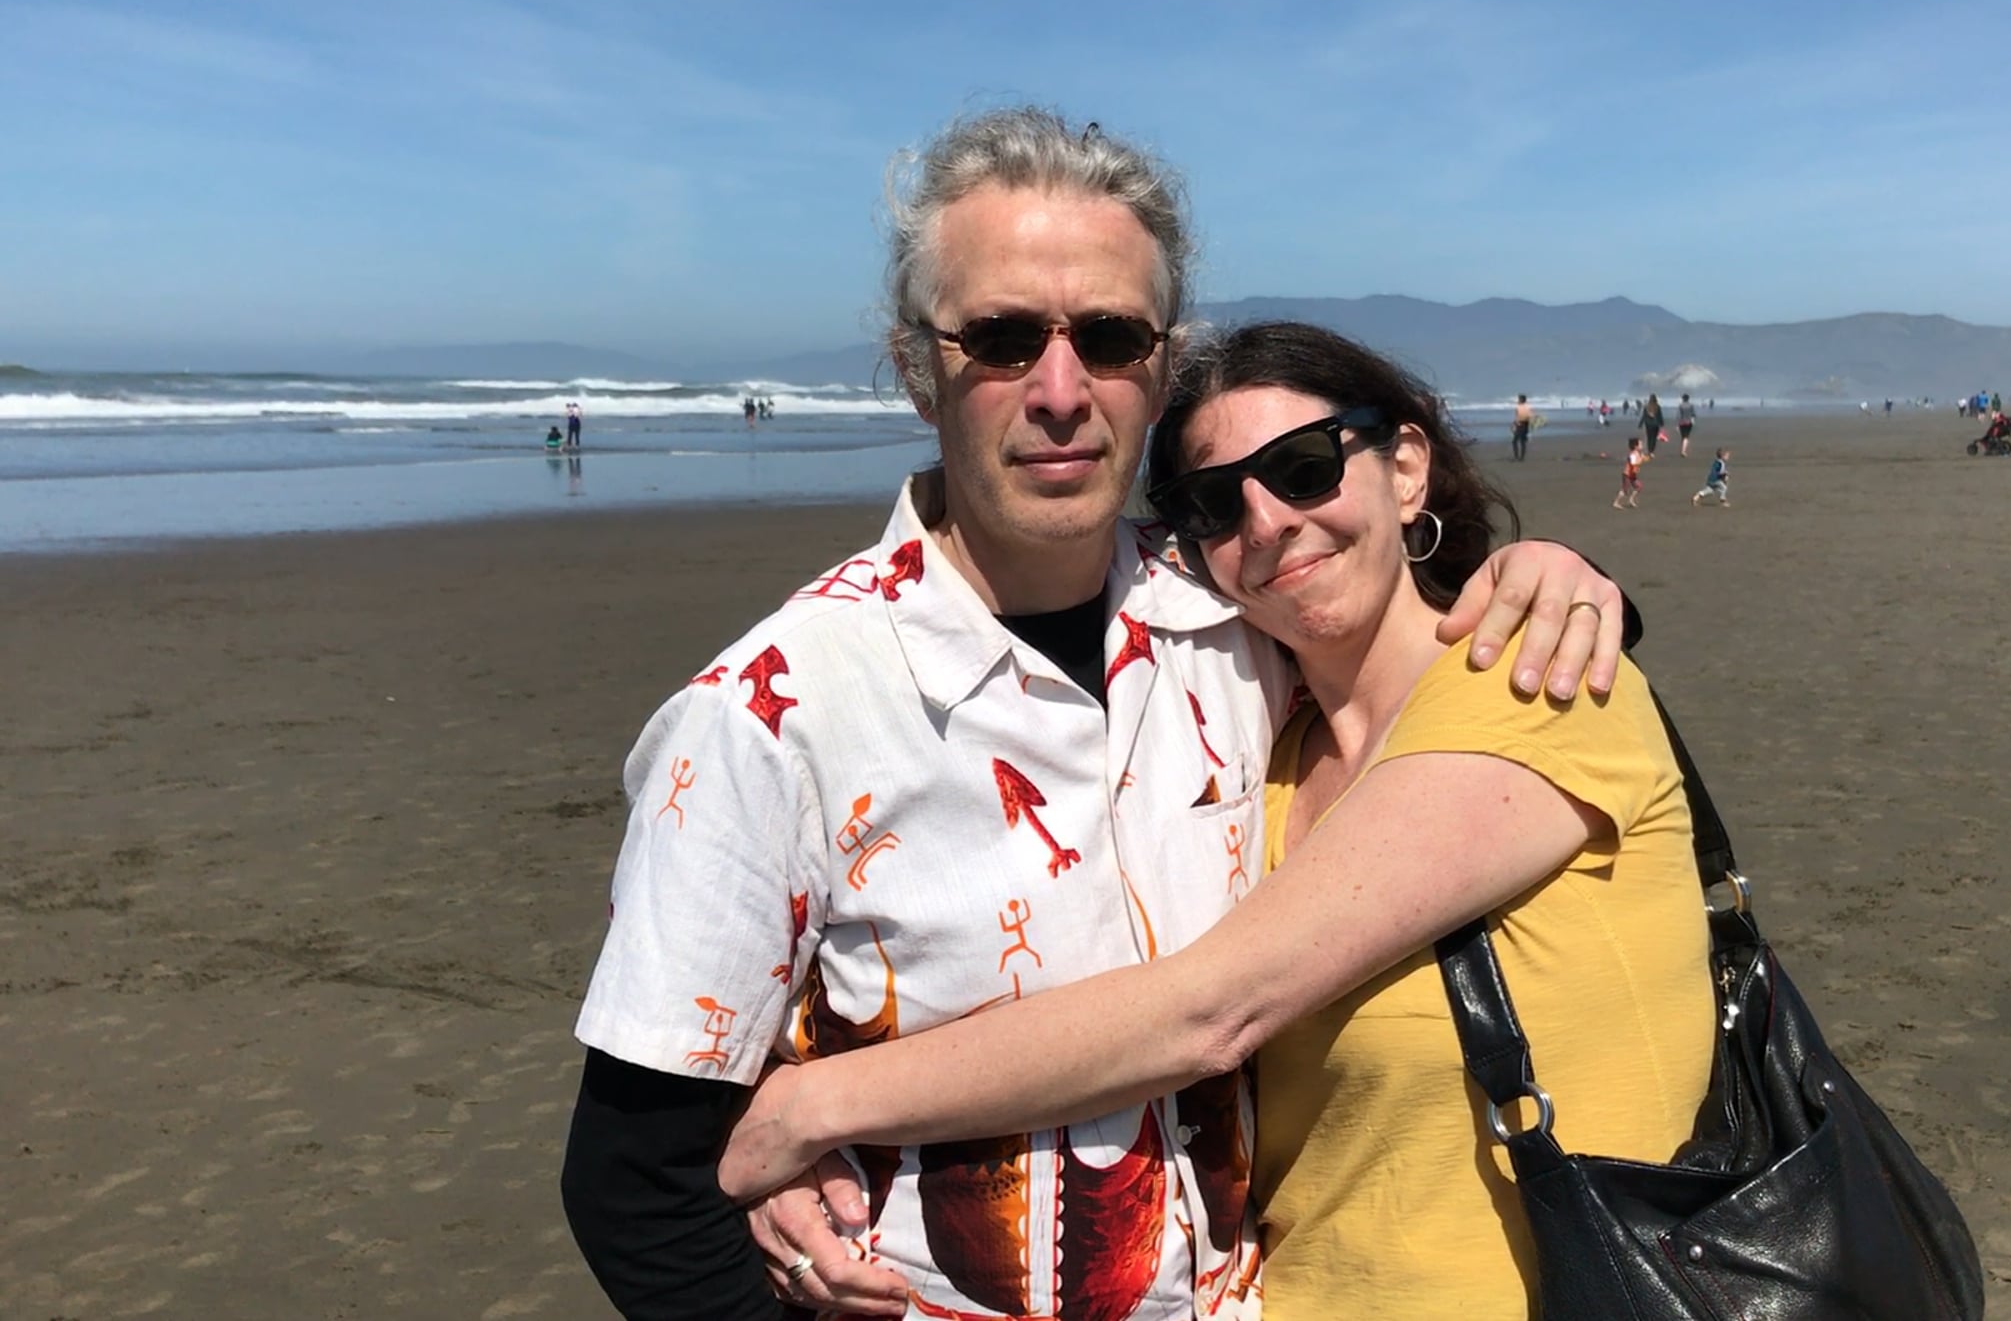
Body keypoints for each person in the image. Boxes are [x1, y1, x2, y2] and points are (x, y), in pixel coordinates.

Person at [558, 108, 1633, 1321]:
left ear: (1161, 370)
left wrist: (1556, 575)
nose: (1061, 392)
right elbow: (636, 1183)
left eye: (1110, 339)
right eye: (1002, 338)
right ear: (918, 370)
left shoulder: (1238, 615)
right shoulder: (770, 717)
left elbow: (1400, 628)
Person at [722, 322, 1715, 1319]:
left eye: (1304, 467)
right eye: (1215, 503)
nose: (1267, 522)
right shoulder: (1262, 763)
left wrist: (812, 1108)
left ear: (1406, 469)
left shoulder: (1542, 686)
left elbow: (1206, 1011)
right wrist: (796, 1103)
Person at [1612, 434, 1644, 509]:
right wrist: (1640, 461)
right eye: (1640, 444)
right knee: (1625, 490)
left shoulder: (1638, 453)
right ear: (1636, 446)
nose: (1642, 445)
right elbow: (1633, 463)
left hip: (1632, 475)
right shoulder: (1633, 454)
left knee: (1639, 486)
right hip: (1627, 474)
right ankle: (1616, 502)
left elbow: (1641, 460)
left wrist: (1647, 457)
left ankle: (1631, 500)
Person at [1510, 393, 1535, 461]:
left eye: (1519, 399)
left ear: (1521, 400)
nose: (1518, 400)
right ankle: (1521, 457)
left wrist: (1513, 424)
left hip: (1520, 424)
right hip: (1526, 425)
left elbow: (1518, 417)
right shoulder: (1528, 407)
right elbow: (1531, 416)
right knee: (1522, 441)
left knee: (1515, 441)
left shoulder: (1518, 407)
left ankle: (1517, 457)